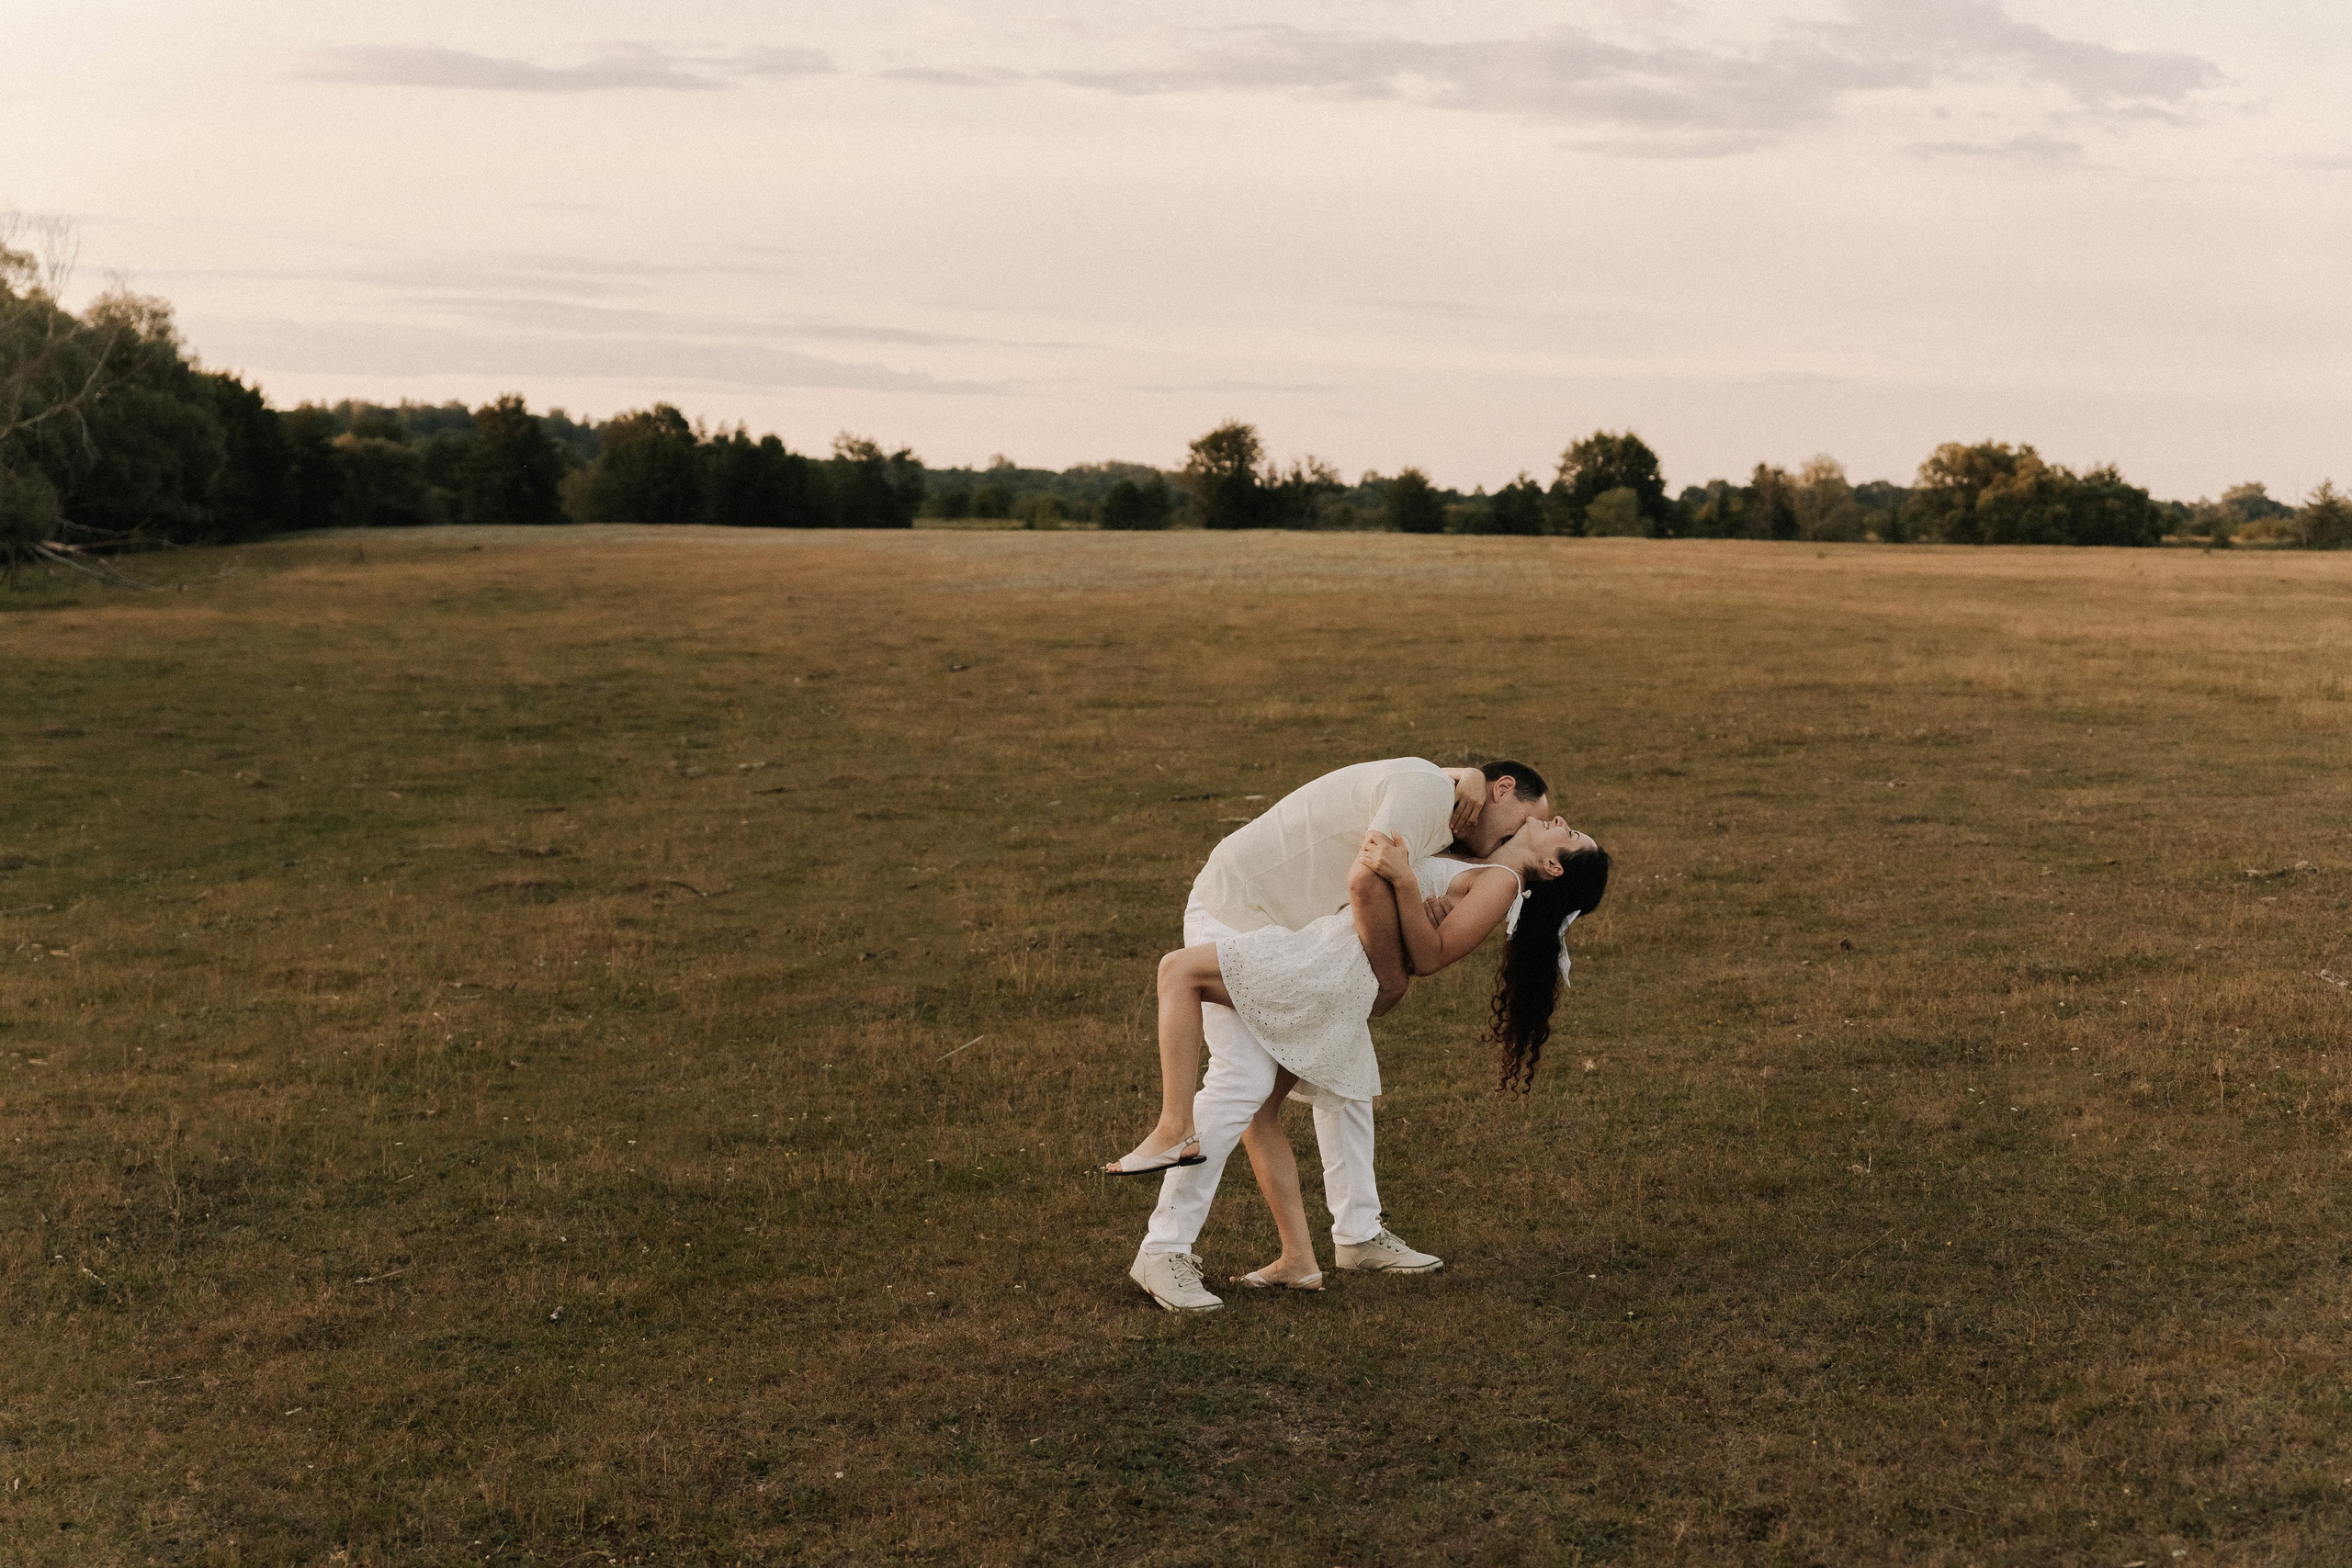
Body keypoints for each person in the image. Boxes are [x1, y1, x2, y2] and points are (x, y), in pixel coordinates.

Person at [1128, 819, 1607, 1310]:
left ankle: (1168, 1187)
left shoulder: (1505, 881)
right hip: (1334, 956)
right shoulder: (1480, 858)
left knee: (1180, 972)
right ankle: (1299, 1259)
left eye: (1570, 837)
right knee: (1261, 1108)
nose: (1561, 822)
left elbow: (1429, 955)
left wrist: (1403, 881)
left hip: (1328, 963)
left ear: (1551, 865)